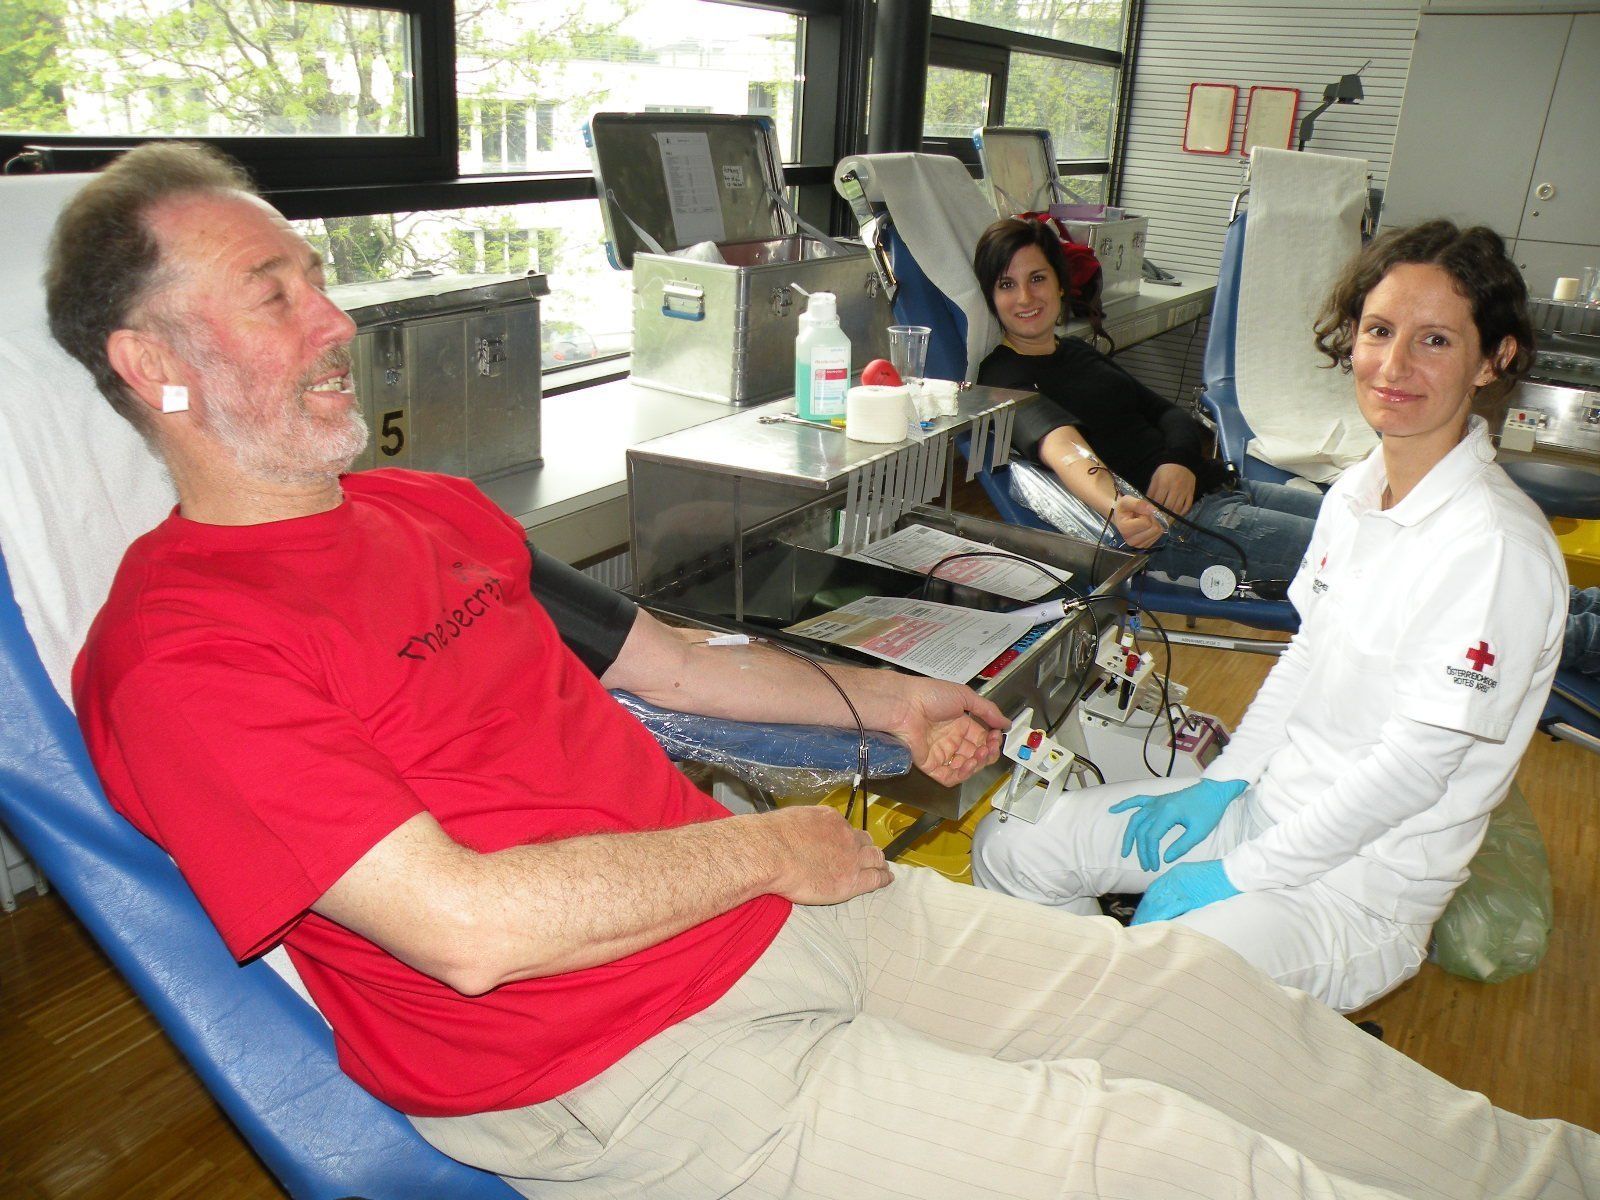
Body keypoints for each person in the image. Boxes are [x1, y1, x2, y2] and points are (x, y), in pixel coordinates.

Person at [55, 144, 1600, 1200]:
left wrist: (892, 701)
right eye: (276, 295)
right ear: (154, 366)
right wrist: (761, 849)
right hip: (612, 1060)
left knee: (1191, 1002)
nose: (336, 319)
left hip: (770, 920)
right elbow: (463, 930)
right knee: (1152, 1161)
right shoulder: (179, 651)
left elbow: (670, 659)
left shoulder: (429, 514)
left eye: (317, 276)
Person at [974, 219, 1567, 1017]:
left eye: (1434, 340)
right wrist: (1220, 785)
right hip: (1266, 810)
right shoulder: (1358, 492)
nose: (1393, 365)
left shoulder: (1494, 549)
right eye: (1379, 331)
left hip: (1356, 889)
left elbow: (1411, 773)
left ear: (1493, 359)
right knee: (1014, 847)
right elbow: (1307, 658)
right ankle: (1123, 1034)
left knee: (1142, 989)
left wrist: (1234, 877)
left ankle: (1141, 1033)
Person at [973, 216, 1323, 585]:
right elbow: (1064, 449)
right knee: (1354, 557)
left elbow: (1169, 413)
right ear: (991, 298)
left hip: (1224, 486)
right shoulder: (1001, 376)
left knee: (1358, 520)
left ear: (1060, 284)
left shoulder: (1075, 350)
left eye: (1037, 278)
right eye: (1007, 285)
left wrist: (1178, 462)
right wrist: (1115, 506)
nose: (1025, 298)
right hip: (1182, 527)